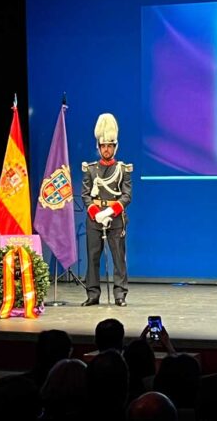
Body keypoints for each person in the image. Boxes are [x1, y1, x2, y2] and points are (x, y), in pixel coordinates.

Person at [81, 113, 133, 307]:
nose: (106, 149)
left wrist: (109, 212)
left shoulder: (123, 169)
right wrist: (97, 213)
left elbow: (127, 196)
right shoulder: (90, 169)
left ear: (115, 147)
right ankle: (93, 294)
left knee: (119, 257)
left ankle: (120, 294)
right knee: (93, 256)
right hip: (94, 219)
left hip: (116, 218)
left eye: (110, 146)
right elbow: (86, 195)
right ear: (99, 147)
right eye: (103, 146)